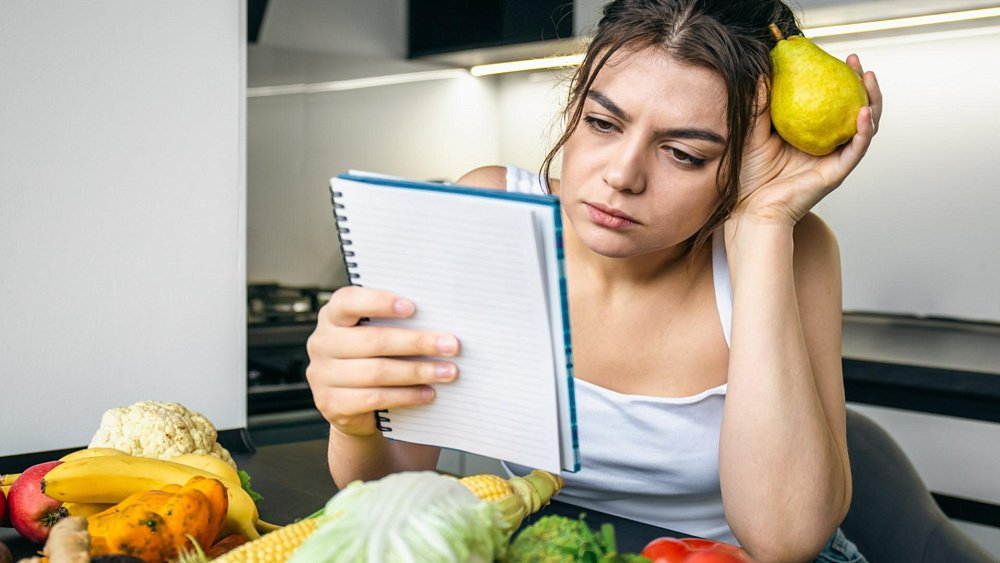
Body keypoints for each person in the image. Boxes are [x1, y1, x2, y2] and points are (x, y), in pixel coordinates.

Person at [305, 0, 883, 560]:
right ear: (573, 104)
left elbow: (785, 542)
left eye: (683, 154)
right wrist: (353, 422)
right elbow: (389, 488)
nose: (622, 175)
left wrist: (760, 227)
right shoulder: (489, 211)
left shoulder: (791, 247)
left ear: (744, 162)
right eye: (603, 123)